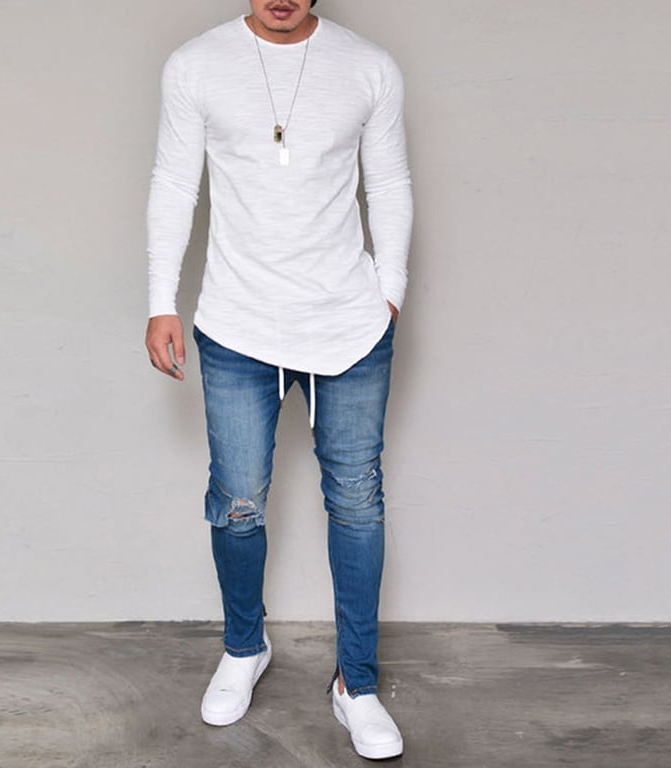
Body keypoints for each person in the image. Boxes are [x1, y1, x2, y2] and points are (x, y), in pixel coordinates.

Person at [145, 0, 412, 759]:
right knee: (237, 500)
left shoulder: (369, 67)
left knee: (356, 502)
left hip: (348, 326)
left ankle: (356, 684)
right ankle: (244, 647)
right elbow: (174, 184)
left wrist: (389, 293)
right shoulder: (196, 65)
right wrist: (161, 302)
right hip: (237, 324)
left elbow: (390, 184)